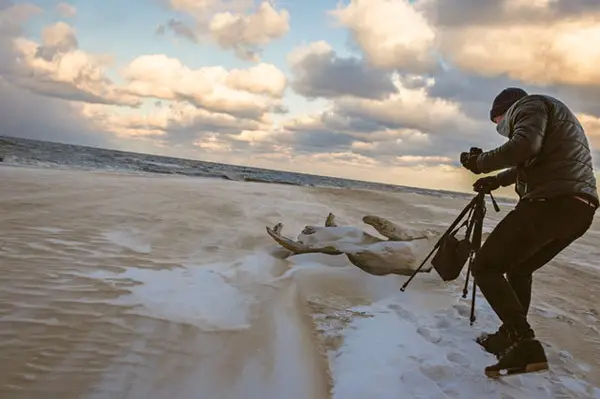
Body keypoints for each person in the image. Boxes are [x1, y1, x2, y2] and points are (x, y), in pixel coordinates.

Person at [459, 87, 599, 377]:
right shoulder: (552, 114)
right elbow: (529, 161)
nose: (499, 128)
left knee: (485, 266)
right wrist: (493, 181)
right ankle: (510, 337)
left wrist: (479, 162)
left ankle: (525, 343)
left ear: (504, 111)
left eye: (497, 121)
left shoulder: (529, 105)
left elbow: (524, 147)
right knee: (520, 269)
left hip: (550, 203)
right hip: (579, 210)